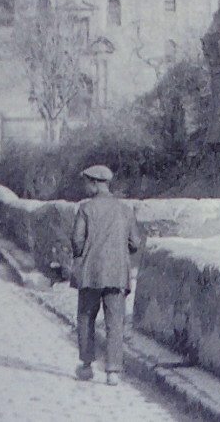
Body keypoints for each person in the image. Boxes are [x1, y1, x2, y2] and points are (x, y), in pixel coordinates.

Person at [70, 165, 142, 385]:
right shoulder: (125, 210)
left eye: (86, 183)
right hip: (117, 274)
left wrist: (82, 256)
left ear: (94, 183)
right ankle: (113, 371)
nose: (85, 187)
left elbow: (77, 241)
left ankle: (86, 366)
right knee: (115, 322)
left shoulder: (85, 208)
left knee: (85, 318)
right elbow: (135, 243)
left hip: (90, 274)